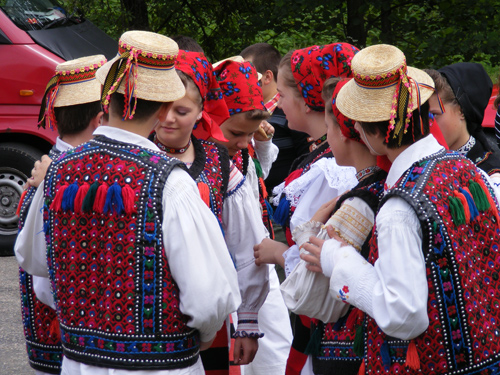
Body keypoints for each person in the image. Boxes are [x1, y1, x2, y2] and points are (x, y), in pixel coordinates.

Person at [15, 30, 241, 375]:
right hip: (161, 366)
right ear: (165, 106)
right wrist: (205, 335)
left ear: (106, 97)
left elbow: (33, 260)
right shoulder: (170, 181)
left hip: (80, 363)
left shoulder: (58, 171)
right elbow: (210, 298)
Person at [303, 43, 500, 374]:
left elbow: (403, 314)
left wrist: (338, 259)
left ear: (372, 134)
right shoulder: (468, 170)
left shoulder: (400, 207)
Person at [149, 49, 270, 373]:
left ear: (203, 110)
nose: (169, 117)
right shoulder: (137, 156)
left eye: (182, 109)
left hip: (207, 319)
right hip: (141, 311)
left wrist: (247, 319)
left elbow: (245, 242)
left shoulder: (218, 164)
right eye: (161, 106)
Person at [253, 43, 359, 375]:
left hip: (335, 325)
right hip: (317, 322)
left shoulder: (337, 168)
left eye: (283, 94)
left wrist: (280, 253)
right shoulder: (323, 157)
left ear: (307, 100)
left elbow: (334, 252)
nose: (279, 103)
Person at [276, 77, 387, 375]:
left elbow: (308, 289)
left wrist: (310, 232)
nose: (327, 138)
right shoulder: (374, 188)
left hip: (347, 347)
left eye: (330, 128)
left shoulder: (360, 201)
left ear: (345, 133)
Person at [15, 54, 106, 375]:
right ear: (100, 120)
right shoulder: (60, 182)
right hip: (66, 347)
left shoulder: (52, 172)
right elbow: (44, 284)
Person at [213, 58, 293, 375]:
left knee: (274, 351)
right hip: (236, 269)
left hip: (258, 262)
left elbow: (257, 180)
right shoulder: (212, 164)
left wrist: (261, 143)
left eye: (249, 134)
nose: (244, 141)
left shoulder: (238, 148)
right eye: (238, 132)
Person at [240, 43, 311, 193]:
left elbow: (306, 161)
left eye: (247, 74)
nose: (241, 81)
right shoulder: (245, 113)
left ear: (267, 77)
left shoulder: (291, 112)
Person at [425, 63, 500, 187]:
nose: (425, 126)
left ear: (461, 111)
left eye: (433, 115)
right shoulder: (423, 164)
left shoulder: (491, 177)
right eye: (419, 117)